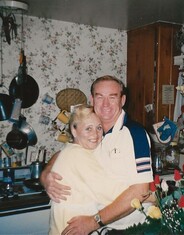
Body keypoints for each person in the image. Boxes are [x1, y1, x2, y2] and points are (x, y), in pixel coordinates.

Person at [40, 75, 154, 234]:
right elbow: (68, 152)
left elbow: (140, 191)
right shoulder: (94, 132)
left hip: (131, 229)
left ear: (122, 100)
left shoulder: (134, 134)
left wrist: (94, 222)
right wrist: (46, 174)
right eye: (100, 97)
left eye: (112, 97)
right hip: (104, 228)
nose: (106, 104)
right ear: (92, 100)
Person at [49, 104, 131, 234]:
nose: (96, 134)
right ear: (74, 130)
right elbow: (111, 193)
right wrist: (147, 194)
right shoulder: (78, 155)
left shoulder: (74, 150)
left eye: (99, 128)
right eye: (88, 129)